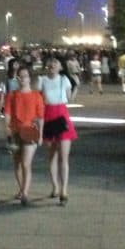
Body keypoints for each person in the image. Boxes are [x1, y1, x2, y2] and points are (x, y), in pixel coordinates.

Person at [39, 56, 77, 205]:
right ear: (46, 66)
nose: (52, 65)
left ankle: (64, 190)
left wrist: (76, 88)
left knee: (64, 156)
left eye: (55, 63)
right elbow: (38, 99)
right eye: (50, 63)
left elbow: (70, 98)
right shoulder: (42, 80)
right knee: (52, 155)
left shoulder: (64, 80)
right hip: (47, 115)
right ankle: (55, 186)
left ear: (60, 67)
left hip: (62, 115)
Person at [4, 65, 44, 205]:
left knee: (26, 163)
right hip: (15, 132)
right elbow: (7, 113)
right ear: (17, 78)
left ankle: (25, 193)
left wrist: (40, 135)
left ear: (29, 78)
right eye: (20, 76)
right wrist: (6, 128)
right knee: (17, 164)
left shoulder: (36, 95)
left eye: (25, 76)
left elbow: (40, 117)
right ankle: (21, 189)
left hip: (30, 132)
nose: (22, 79)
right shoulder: (11, 95)